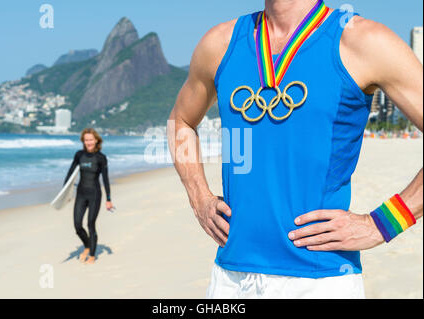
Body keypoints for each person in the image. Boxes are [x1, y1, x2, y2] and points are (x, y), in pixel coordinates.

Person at [168, 0, 422, 298]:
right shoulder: (220, 43)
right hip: (231, 278)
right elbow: (180, 122)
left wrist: (381, 224)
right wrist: (199, 197)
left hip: (319, 280)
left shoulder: (362, 40)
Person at [64, 128, 114, 264]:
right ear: (83, 141)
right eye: (86, 140)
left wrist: (108, 199)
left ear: (96, 140)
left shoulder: (101, 158)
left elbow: (105, 179)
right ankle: (87, 245)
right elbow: (70, 173)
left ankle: (92, 255)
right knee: (77, 225)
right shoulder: (79, 155)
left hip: (95, 195)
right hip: (81, 194)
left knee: (91, 224)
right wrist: (65, 192)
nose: (88, 142)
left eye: (91, 139)